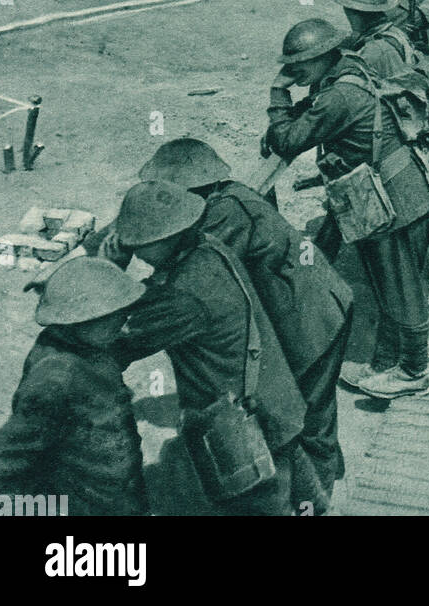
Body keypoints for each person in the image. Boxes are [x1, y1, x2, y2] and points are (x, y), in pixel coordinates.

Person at [137, 137, 353, 506]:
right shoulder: (228, 196)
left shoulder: (223, 215)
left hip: (313, 322)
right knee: (312, 410)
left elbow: (190, 276)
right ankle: (323, 474)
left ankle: (320, 493)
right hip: (313, 307)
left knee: (310, 417)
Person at [261, 23, 429, 400]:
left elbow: (288, 140)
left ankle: (414, 372)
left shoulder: (338, 95)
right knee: (396, 283)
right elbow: (316, 109)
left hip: (394, 204)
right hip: (409, 188)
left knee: (401, 289)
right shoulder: (352, 68)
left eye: (300, 65)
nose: (295, 73)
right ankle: (390, 362)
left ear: (321, 58)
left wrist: (278, 94)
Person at [115, 181, 311, 514]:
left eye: (139, 245)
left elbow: (120, 345)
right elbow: (156, 293)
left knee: (256, 504)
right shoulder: (207, 246)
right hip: (274, 406)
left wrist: (103, 278)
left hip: (247, 429)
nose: (133, 251)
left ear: (164, 240)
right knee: (292, 495)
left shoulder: (186, 295)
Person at [0, 258, 149, 517]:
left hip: (115, 497)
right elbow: (9, 456)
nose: (125, 325)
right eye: (115, 317)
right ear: (84, 318)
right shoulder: (55, 377)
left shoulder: (90, 347)